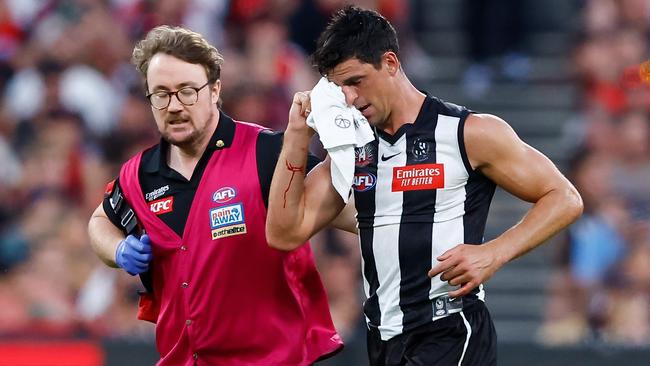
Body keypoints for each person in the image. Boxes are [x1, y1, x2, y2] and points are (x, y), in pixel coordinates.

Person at [266, 6, 584, 366]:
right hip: (383, 338)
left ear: (390, 63)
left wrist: (494, 253)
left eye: (356, 81)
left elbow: (565, 197)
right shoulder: (352, 150)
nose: (351, 98)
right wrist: (295, 138)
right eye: (340, 89)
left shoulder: (468, 132)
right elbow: (284, 233)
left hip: (449, 329)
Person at [87, 25, 348, 365]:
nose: (174, 106)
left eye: (187, 91)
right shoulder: (140, 174)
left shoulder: (267, 152)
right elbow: (100, 221)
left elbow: (352, 209)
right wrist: (118, 249)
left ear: (214, 90)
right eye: (161, 94)